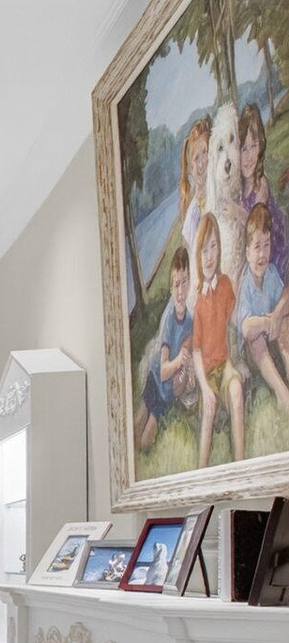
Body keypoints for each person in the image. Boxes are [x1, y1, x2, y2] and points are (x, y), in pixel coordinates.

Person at [191, 213, 246, 469]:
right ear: (198, 256)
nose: (209, 256)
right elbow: (196, 351)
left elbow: (233, 322)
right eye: (204, 250)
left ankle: (240, 464)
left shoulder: (225, 285)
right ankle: (201, 471)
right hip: (207, 373)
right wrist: (204, 387)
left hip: (225, 366)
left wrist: (238, 360)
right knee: (209, 410)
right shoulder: (199, 303)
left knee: (236, 391)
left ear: (219, 249)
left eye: (213, 247)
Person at [237, 200, 289, 444]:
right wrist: (268, 322)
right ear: (247, 252)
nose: (262, 254)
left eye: (266, 245)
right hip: (253, 352)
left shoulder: (271, 275)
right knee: (255, 338)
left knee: (285, 322)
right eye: (257, 246)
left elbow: (285, 296)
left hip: (273, 335)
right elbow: (245, 328)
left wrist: (277, 314)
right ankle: (281, 392)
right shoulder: (246, 284)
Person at [141, 244, 197, 449]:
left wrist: (187, 367)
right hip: (158, 380)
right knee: (141, 424)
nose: (180, 292)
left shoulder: (189, 320)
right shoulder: (169, 319)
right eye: (176, 285)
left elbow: (188, 351)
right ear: (171, 288)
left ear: (190, 283)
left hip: (168, 390)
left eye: (184, 283)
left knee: (148, 431)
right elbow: (164, 372)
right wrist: (179, 361)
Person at [237, 104, 288, 283]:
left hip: (274, 252)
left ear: (261, 145)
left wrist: (237, 213)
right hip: (255, 254)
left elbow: (256, 225)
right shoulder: (239, 187)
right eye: (244, 149)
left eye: (254, 145)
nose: (249, 156)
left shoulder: (261, 185)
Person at [180, 116, 213, 259]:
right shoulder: (193, 211)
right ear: (190, 169)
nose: (201, 163)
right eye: (196, 158)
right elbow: (190, 256)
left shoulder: (219, 192)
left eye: (205, 152)